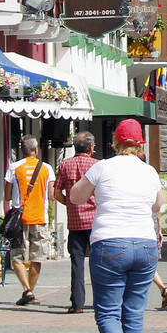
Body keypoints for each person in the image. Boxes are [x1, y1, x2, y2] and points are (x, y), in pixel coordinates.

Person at [67, 119, 163, 333]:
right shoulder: (149, 171)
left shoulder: (102, 167)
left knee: (108, 312)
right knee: (133, 313)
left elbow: (75, 197)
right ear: (140, 143)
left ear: (115, 142)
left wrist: (96, 191)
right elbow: (157, 205)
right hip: (145, 244)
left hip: (110, 241)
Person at [3, 136, 54, 306]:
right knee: (37, 257)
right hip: (40, 218)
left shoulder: (14, 168)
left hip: (19, 220)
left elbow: (7, 196)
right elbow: (51, 196)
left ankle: (27, 290)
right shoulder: (47, 168)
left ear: (21, 151)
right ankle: (30, 291)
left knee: (17, 256)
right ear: (36, 150)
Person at [53, 131, 98, 313]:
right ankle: (101, 301)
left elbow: (56, 194)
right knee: (98, 263)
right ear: (91, 148)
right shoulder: (97, 165)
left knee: (76, 263)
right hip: (95, 221)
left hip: (75, 222)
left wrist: (71, 204)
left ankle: (77, 303)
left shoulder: (65, 165)